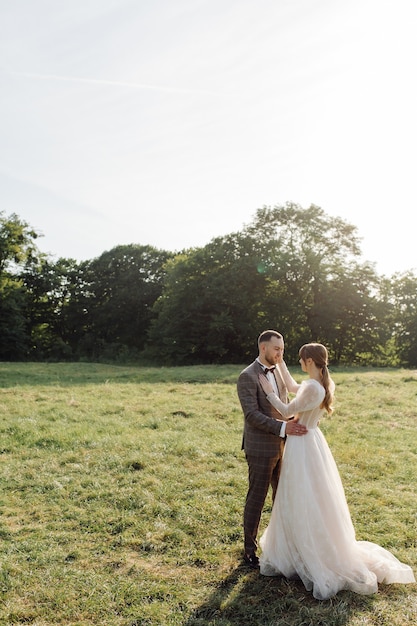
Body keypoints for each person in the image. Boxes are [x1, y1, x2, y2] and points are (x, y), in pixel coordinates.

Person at [258, 342, 415, 600]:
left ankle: (304, 548)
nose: (299, 364)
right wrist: (281, 363)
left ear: (309, 361)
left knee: (300, 495)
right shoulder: (323, 384)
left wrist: (269, 393)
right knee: (316, 495)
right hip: (313, 441)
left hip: (301, 445)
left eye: (300, 360)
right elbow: (296, 388)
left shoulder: (312, 387)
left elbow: (287, 410)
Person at [237, 330, 308, 569]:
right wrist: (282, 428)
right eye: (277, 349)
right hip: (260, 447)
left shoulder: (278, 372)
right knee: (257, 499)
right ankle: (249, 551)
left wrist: (298, 421)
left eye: (283, 349)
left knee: (282, 498)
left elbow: (286, 405)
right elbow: (252, 415)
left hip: (285, 446)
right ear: (263, 348)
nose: (281, 354)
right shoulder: (248, 376)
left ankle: (281, 548)